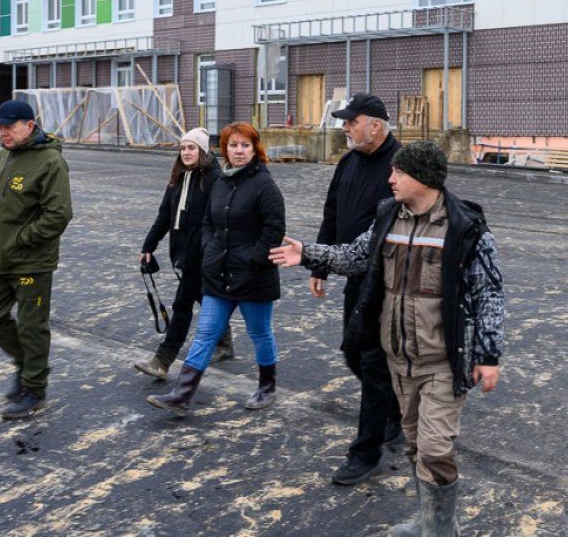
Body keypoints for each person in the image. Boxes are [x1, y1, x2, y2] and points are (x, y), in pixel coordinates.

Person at [271, 140, 505, 536]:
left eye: (399, 172)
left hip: (443, 362)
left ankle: (439, 531)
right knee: (414, 444)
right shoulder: (388, 217)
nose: (390, 178)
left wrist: (489, 354)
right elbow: (356, 256)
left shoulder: (466, 229)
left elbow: (489, 293)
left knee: (434, 449)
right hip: (398, 358)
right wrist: (308, 254)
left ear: (423, 178)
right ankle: (429, 521)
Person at [147, 122, 286, 417]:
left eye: (245, 145)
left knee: (260, 333)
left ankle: (267, 387)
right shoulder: (221, 183)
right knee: (205, 333)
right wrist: (210, 250)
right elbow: (208, 222)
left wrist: (252, 260)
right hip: (218, 274)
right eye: (233, 145)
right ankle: (181, 395)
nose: (239, 151)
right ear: (225, 149)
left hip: (253, 277)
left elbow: (274, 229)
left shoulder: (265, 185)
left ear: (255, 149)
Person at [310, 94, 405, 486]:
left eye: (352, 121)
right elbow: (331, 213)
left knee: (371, 360)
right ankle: (394, 410)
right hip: (353, 275)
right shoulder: (348, 162)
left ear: (376, 126)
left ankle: (366, 452)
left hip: (389, 281)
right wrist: (320, 263)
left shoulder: (401, 166)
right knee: (353, 351)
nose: (346, 128)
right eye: (345, 122)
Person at [0, 99, 73, 420]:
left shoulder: (50, 161)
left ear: (30, 126)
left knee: (32, 326)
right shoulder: (5, 154)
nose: (2, 133)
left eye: (8, 127)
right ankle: (27, 363)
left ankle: (34, 389)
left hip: (31, 261)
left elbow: (58, 215)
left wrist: (20, 240)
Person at [133, 127, 233, 380]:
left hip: (203, 255)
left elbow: (221, 221)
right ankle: (224, 342)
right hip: (183, 253)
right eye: (183, 148)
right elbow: (164, 215)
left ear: (203, 150)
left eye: (192, 148)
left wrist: (214, 252)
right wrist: (148, 246)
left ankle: (162, 360)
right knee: (202, 297)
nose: (186, 152)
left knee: (182, 305)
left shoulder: (215, 180)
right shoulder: (177, 178)